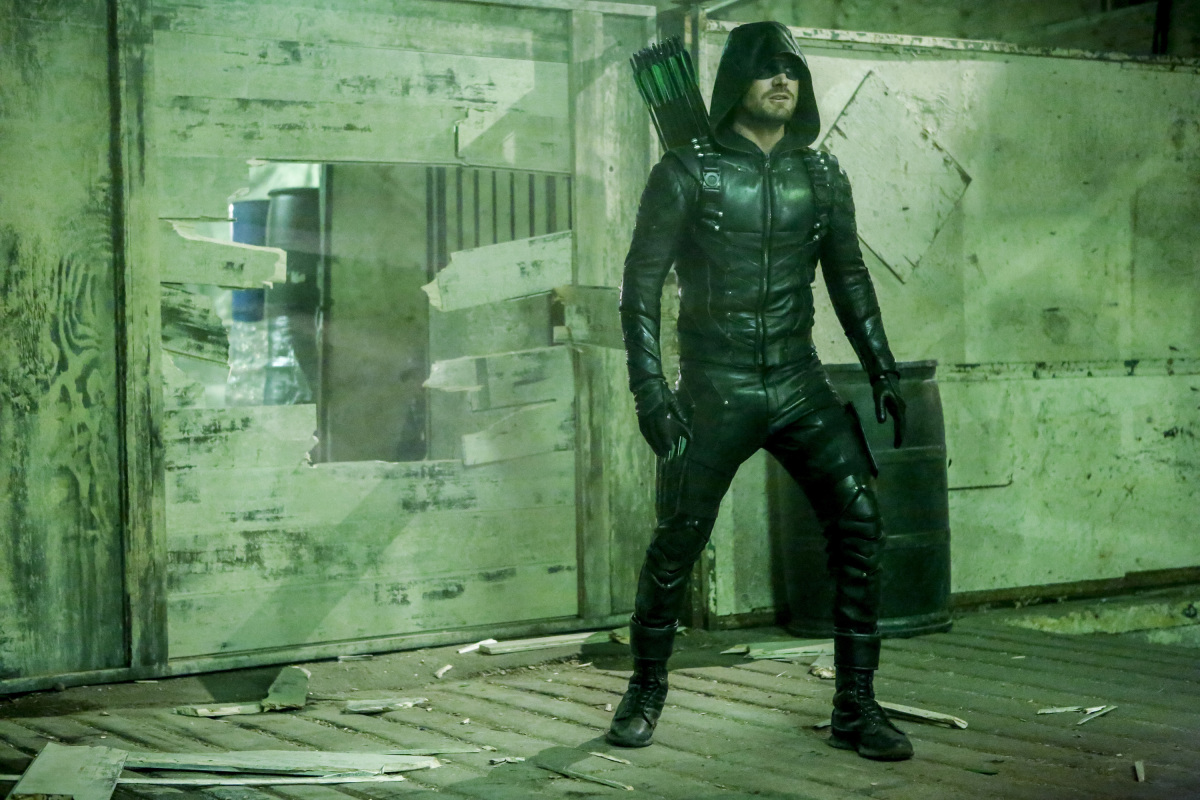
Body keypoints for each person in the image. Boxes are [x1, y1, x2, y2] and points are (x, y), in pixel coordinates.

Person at [608, 21, 913, 762]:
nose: (783, 80)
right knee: (678, 539)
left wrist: (882, 367)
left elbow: (849, 276)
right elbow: (639, 287)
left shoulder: (822, 175)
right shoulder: (686, 172)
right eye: (766, 68)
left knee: (861, 523)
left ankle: (855, 705)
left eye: (793, 69)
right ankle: (644, 689)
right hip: (716, 389)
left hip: (799, 381)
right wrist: (650, 390)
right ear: (735, 81)